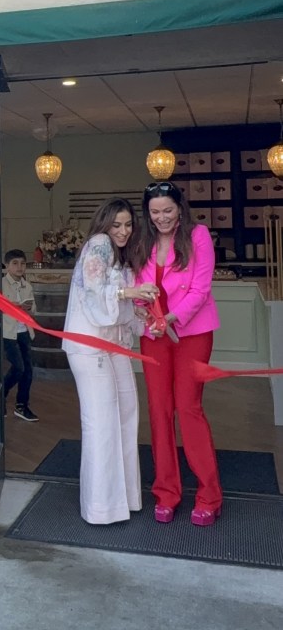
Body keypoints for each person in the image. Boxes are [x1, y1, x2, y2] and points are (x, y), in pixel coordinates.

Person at [63, 199, 158, 524]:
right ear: (104, 224)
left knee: (127, 415)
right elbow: (94, 293)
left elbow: (122, 310)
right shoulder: (98, 244)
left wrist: (147, 318)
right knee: (101, 424)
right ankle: (100, 508)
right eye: (116, 224)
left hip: (114, 344)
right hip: (89, 346)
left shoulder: (123, 255)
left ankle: (126, 499)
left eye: (128, 224)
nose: (123, 231)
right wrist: (128, 294)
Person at [135, 181, 223, 527]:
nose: (162, 218)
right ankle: (166, 492)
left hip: (191, 331)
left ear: (180, 208)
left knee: (188, 408)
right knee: (159, 410)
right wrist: (144, 311)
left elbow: (201, 288)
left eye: (167, 210)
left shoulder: (197, 235)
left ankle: (209, 495)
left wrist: (170, 317)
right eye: (155, 212)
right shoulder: (143, 240)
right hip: (154, 334)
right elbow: (139, 287)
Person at [2, 249, 39, 422]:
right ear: (7, 266)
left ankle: (21, 406)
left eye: (23, 263)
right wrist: (12, 306)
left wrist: (28, 307)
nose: (20, 267)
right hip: (9, 333)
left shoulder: (27, 286)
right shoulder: (1, 284)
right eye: (15, 263)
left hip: (24, 331)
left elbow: (34, 309)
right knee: (18, 368)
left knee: (28, 372)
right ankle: (2, 392)